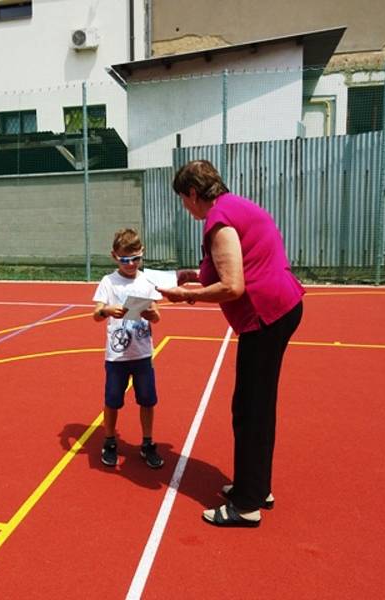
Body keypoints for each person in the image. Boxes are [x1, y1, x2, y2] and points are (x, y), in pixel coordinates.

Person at [157, 159, 304, 528]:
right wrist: (194, 275)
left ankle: (247, 504)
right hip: (278, 308)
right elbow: (233, 264)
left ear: (192, 193)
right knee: (256, 405)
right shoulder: (236, 206)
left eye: (183, 199)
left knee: (250, 409)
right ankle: (256, 486)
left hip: (264, 316)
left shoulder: (218, 220)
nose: (184, 207)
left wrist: (186, 296)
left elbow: (233, 285)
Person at [93, 228, 164, 469]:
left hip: (142, 354)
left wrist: (152, 313)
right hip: (117, 357)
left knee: (147, 400)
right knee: (112, 401)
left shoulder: (147, 281)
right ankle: (110, 441)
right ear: (115, 257)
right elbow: (95, 314)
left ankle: (147, 443)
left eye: (136, 258)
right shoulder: (108, 281)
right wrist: (106, 311)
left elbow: (157, 317)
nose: (131, 264)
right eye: (125, 260)